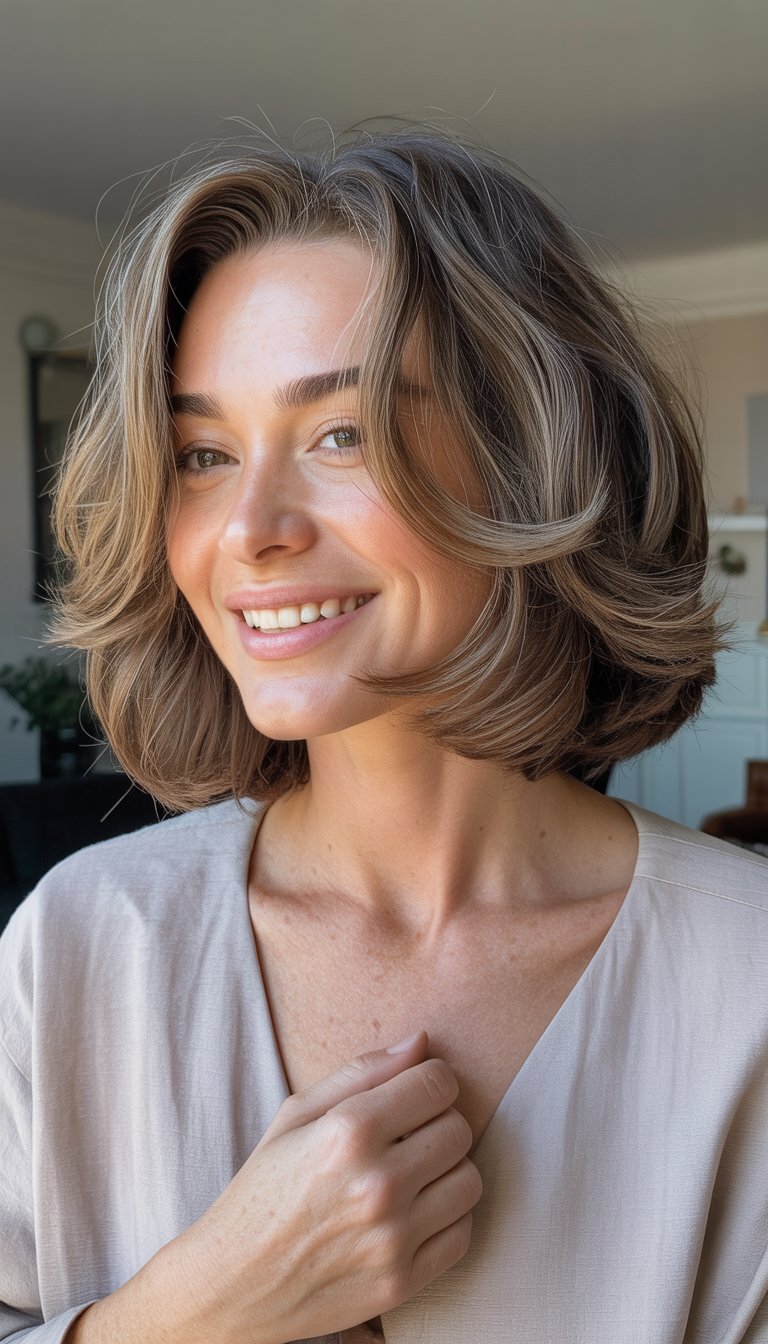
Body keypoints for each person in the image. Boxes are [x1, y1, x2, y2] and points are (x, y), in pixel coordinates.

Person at [1, 123, 767, 1344]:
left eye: (339, 434)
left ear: (529, 457)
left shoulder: (750, 982)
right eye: (204, 453)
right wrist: (184, 1316)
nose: (249, 527)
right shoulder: (80, 953)